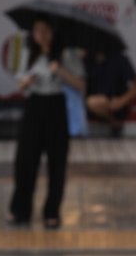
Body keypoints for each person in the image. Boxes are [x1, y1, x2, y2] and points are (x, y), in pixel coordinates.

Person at [8, 18, 85, 230]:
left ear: (53, 32)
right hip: (34, 105)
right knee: (25, 160)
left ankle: (52, 211)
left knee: (57, 161)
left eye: (45, 30)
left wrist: (60, 70)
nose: (40, 34)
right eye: (36, 30)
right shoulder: (28, 52)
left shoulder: (67, 54)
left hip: (56, 105)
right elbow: (20, 83)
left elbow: (80, 84)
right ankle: (20, 210)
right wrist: (26, 82)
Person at [85, 50, 136, 137]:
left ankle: (116, 124)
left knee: (95, 101)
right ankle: (113, 122)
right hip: (92, 106)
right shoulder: (86, 60)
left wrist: (122, 101)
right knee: (92, 101)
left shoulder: (120, 59)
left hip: (116, 104)